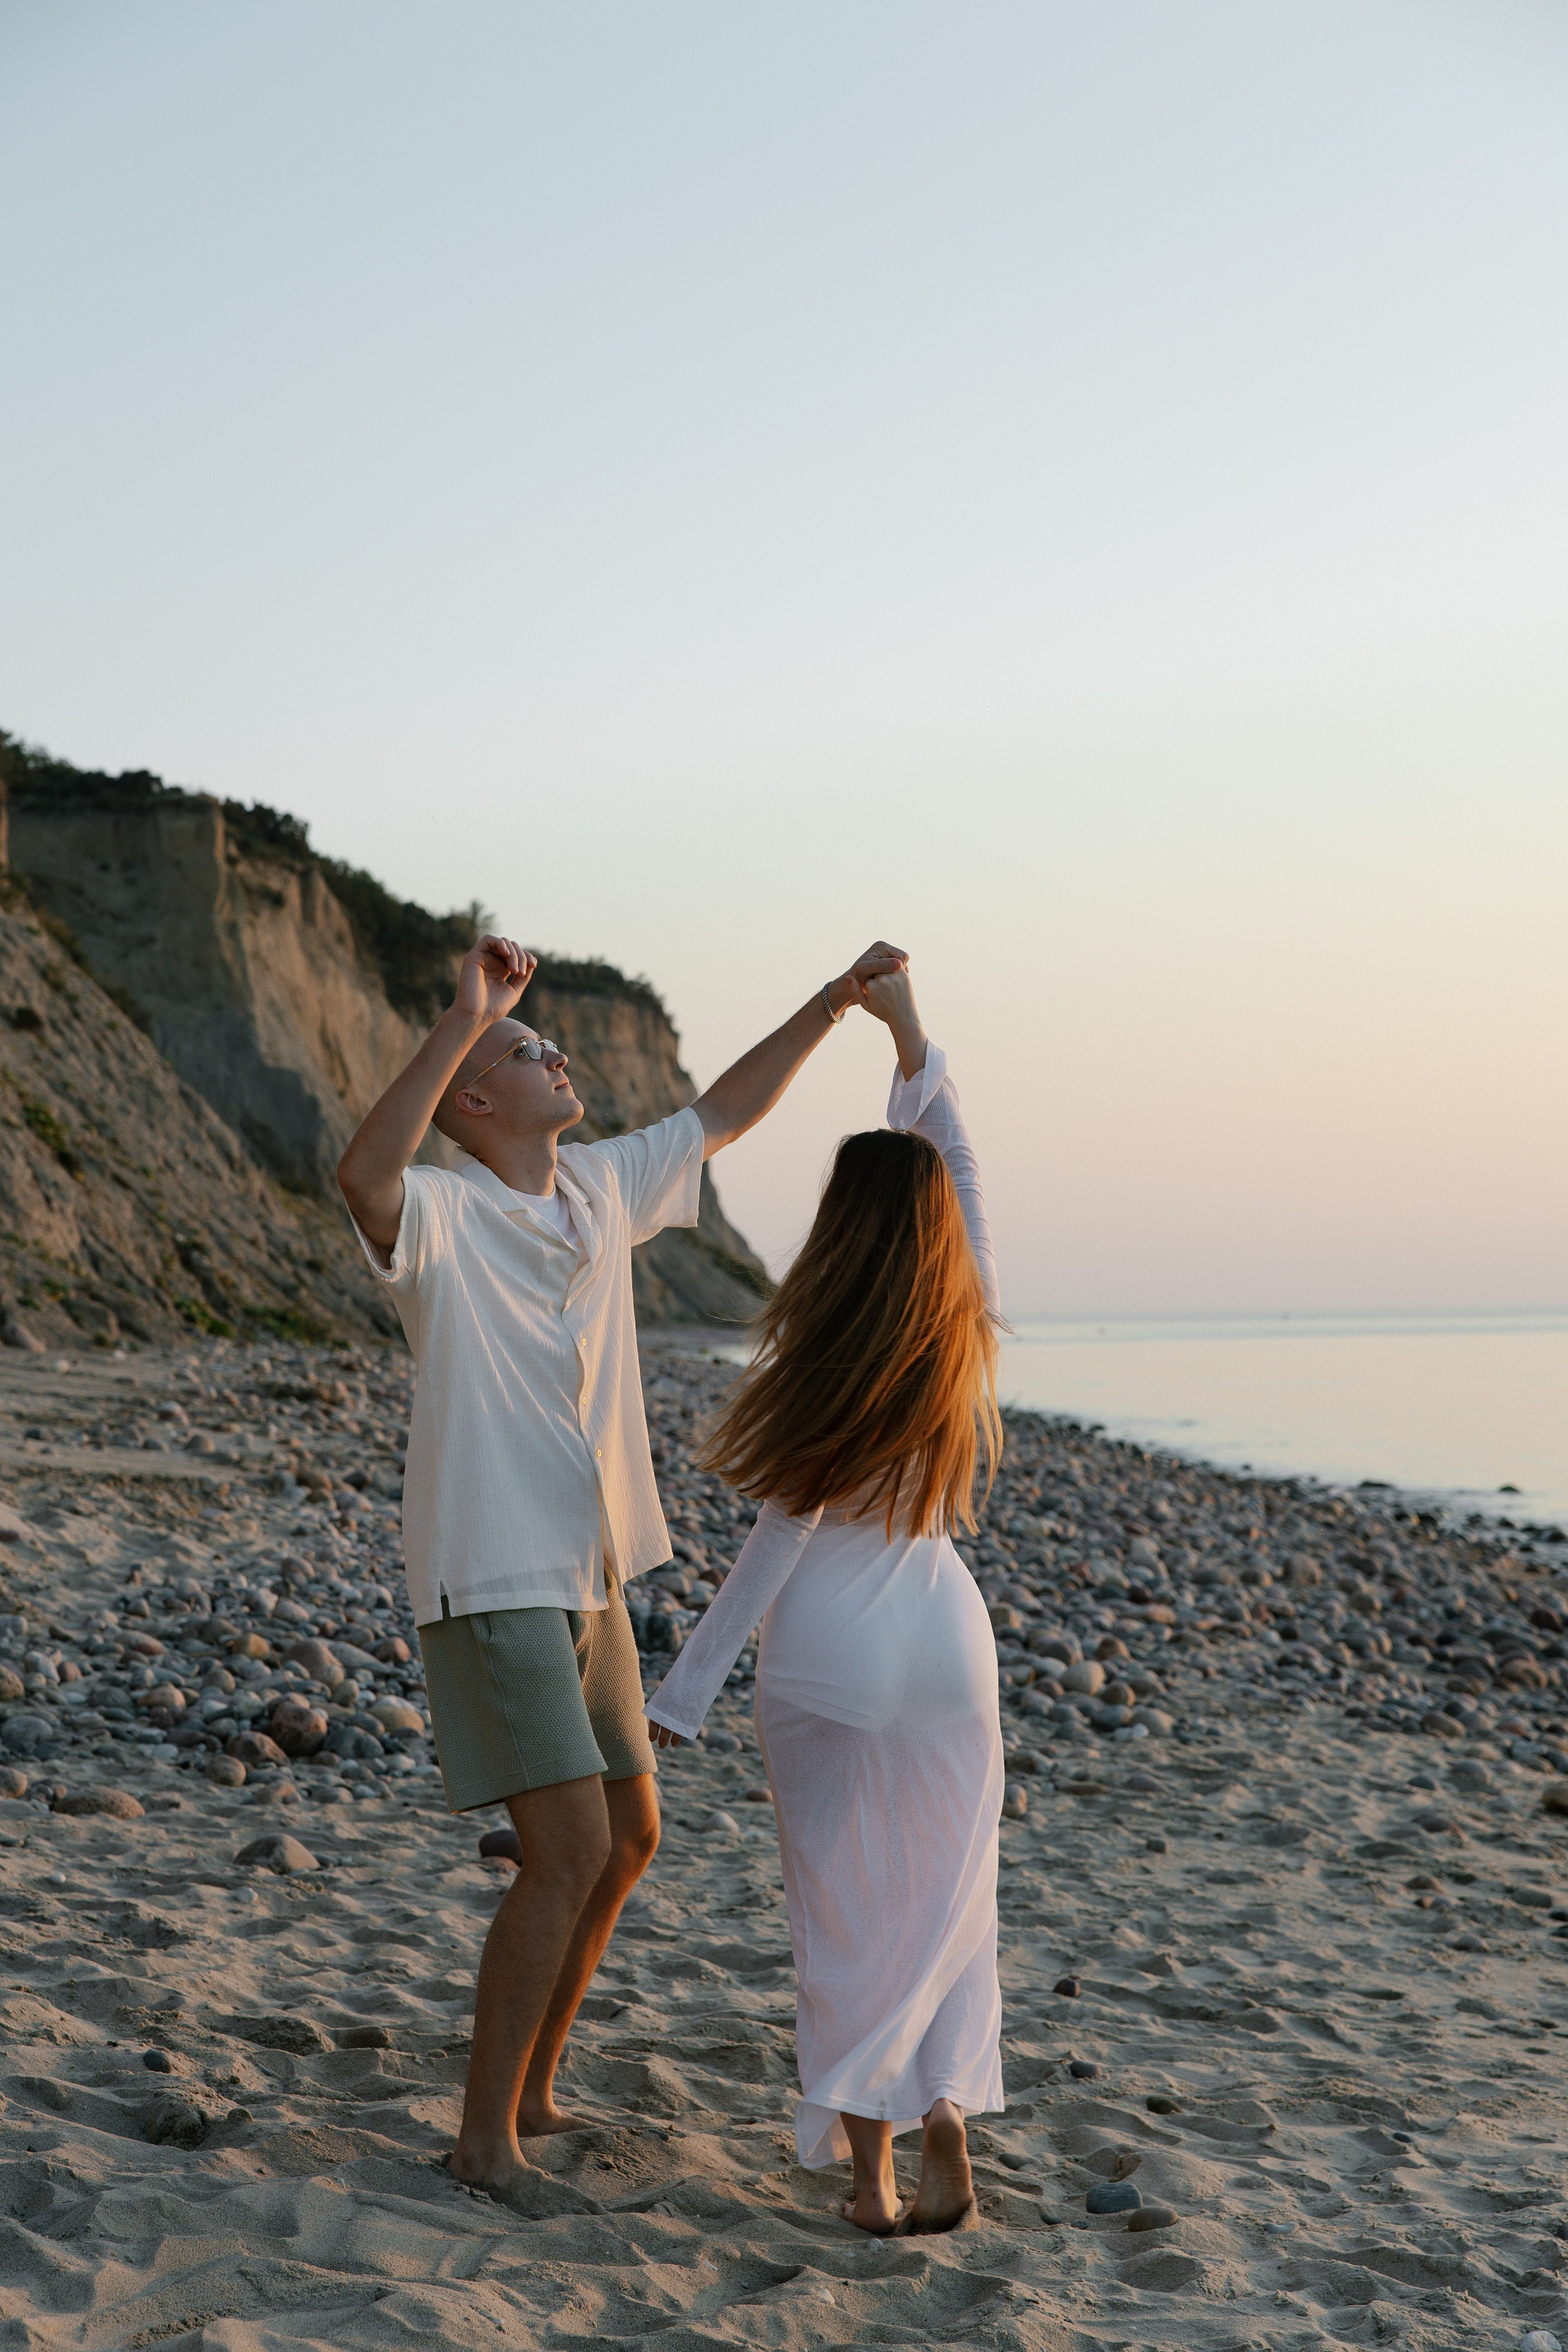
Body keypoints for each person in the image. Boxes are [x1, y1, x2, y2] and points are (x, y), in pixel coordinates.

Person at [336, 928, 907, 2209]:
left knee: (628, 1836)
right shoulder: (444, 1214)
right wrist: (464, 1016)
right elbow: (364, 1173)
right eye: (527, 1051)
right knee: (562, 1846)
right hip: (492, 1574)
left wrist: (831, 1004)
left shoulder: (598, 1188)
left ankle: (532, 2089)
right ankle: (483, 2142)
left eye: (547, 1038)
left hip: (588, 1571)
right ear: (473, 1104)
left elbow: (720, 1114)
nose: (557, 1051)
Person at [644, 962, 1005, 2235]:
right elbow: (949, 1161)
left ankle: (871, 2180)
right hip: (947, 1641)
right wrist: (904, 1033)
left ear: (832, 1236)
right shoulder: (961, 1335)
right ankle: (948, 2114)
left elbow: (774, 1545)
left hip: (831, 1654)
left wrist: (677, 1699)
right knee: (946, 1907)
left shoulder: (819, 1358)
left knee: (845, 1912)